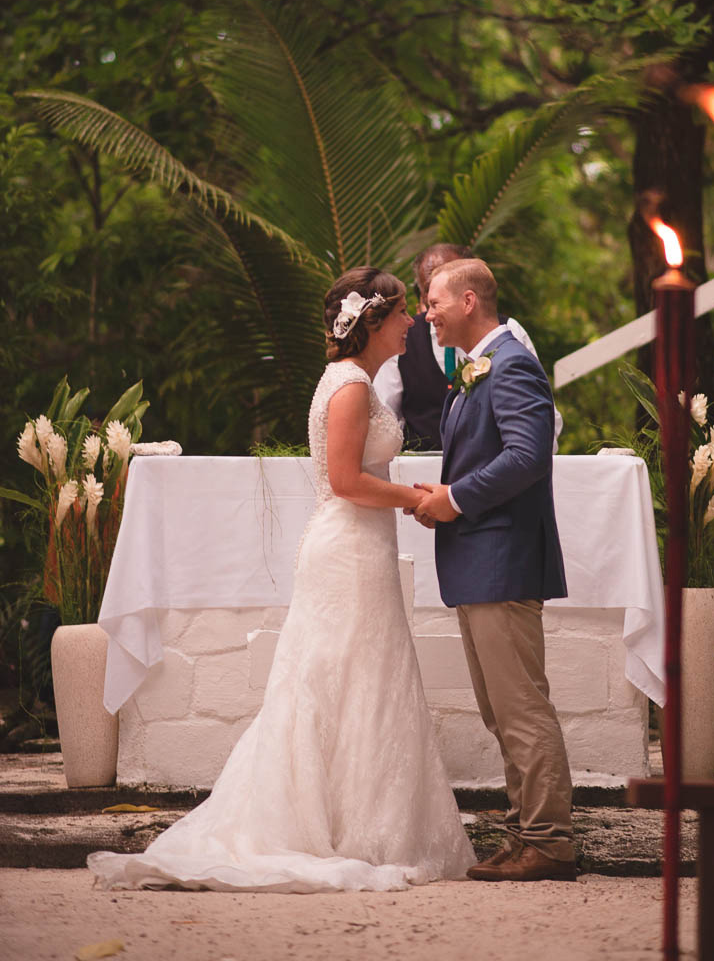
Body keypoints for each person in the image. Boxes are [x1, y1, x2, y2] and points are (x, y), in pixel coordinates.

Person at [88, 267, 473, 893]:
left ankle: (363, 823)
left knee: (362, 680)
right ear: (373, 323)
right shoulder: (350, 386)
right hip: (347, 548)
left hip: (358, 546)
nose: (411, 323)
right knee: (341, 679)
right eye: (402, 313)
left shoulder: (354, 380)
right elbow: (347, 481)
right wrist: (416, 496)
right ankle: (328, 828)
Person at [412, 258, 576, 883]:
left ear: (469, 299)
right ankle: (525, 834)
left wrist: (454, 499)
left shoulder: (509, 363)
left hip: (503, 561)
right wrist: (445, 494)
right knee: (500, 711)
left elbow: (529, 458)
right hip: (482, 560)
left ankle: (551, 844)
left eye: (434, 302)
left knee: (522, 709)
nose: (428, 313)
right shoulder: (475, 368)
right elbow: (491, 455)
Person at [373, 243, 562, 451]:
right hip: (418, 477)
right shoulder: (404, 336)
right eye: (430, 291)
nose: (430, 313)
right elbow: (385, 418)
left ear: (468, 296)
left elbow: (540, 423)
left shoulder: (509, 333)